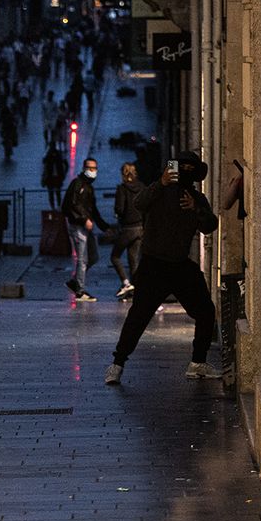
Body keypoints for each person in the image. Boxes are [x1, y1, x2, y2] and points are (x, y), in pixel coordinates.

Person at [105, 153, 221, 385]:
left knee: (206, 312)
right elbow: (139, 203)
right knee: (138, 316)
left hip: (179, 265)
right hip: (153, 265)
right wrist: (161, 183)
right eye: (182, 167)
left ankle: (198, 363)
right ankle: (117, 364)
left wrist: (195, 209)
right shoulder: (158, 191)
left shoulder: (197, 198)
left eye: (191, 168)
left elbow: (210, 225)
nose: (186, 171)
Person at [61, 157, 110, 302]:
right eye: (90, 168)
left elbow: (93, 209)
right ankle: (80, 291)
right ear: (84, 168)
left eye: (95, 168)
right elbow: (71, 204)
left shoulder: (89, 186)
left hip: (85, 227)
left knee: (93, 257)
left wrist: (104, 226)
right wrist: (84, 219)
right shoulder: (78, 184)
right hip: (78, 227)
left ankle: (75, 282)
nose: (92, 171)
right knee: (82, 259)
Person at [111, 162, 144, 299]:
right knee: (133, 259)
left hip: (128, 228)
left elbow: (119, 208)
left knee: (115, 256)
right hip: (140, 227)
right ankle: (136, 290)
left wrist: (118, 214)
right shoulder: (142, 187)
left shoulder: (122, 189)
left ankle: (126, 283)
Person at [41, 143, 68, 210]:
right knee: (55, 193)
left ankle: (55, 207)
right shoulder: (53, 156)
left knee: (54, 193)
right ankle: (55, 207)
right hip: (53, 178)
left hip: (54, 178)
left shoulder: (53, 156)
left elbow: (44, 163)